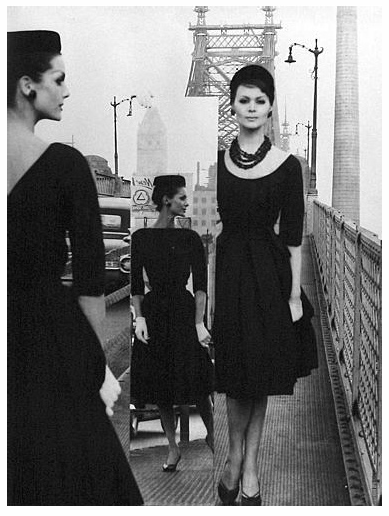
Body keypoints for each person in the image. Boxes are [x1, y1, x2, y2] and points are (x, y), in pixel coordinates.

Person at [7, 30, 143, 505]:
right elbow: (90, 281)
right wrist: (96, 367)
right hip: (48, 341)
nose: (67, 91)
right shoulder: (64, 165)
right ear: (28, 85)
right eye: (59, 79)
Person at [213, 64, 317, 506]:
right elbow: (220, 230)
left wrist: (294, 294)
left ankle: (249, 465)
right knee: (238, 376)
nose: (251, 108)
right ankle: (234, 456)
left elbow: (293, 238)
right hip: (232, 273)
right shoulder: (221, 159)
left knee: (258, 375)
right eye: (243, 100)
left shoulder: (287, 166)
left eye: (260, 100)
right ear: (233, 105)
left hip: (271, 278)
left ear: (271, 107)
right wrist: (212, 300)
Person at [131, 175, 214, 470]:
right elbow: (136, 286)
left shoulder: (190, 238)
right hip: (154, 314)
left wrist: (198, 323)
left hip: (182, 310)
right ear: (167, 200)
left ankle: (213, 437)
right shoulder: (141, 238)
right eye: (182, 198)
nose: (186, 203)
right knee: (161, 385)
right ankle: (172, 447)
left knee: (199, 380)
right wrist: (139, 317)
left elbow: (201, 286)